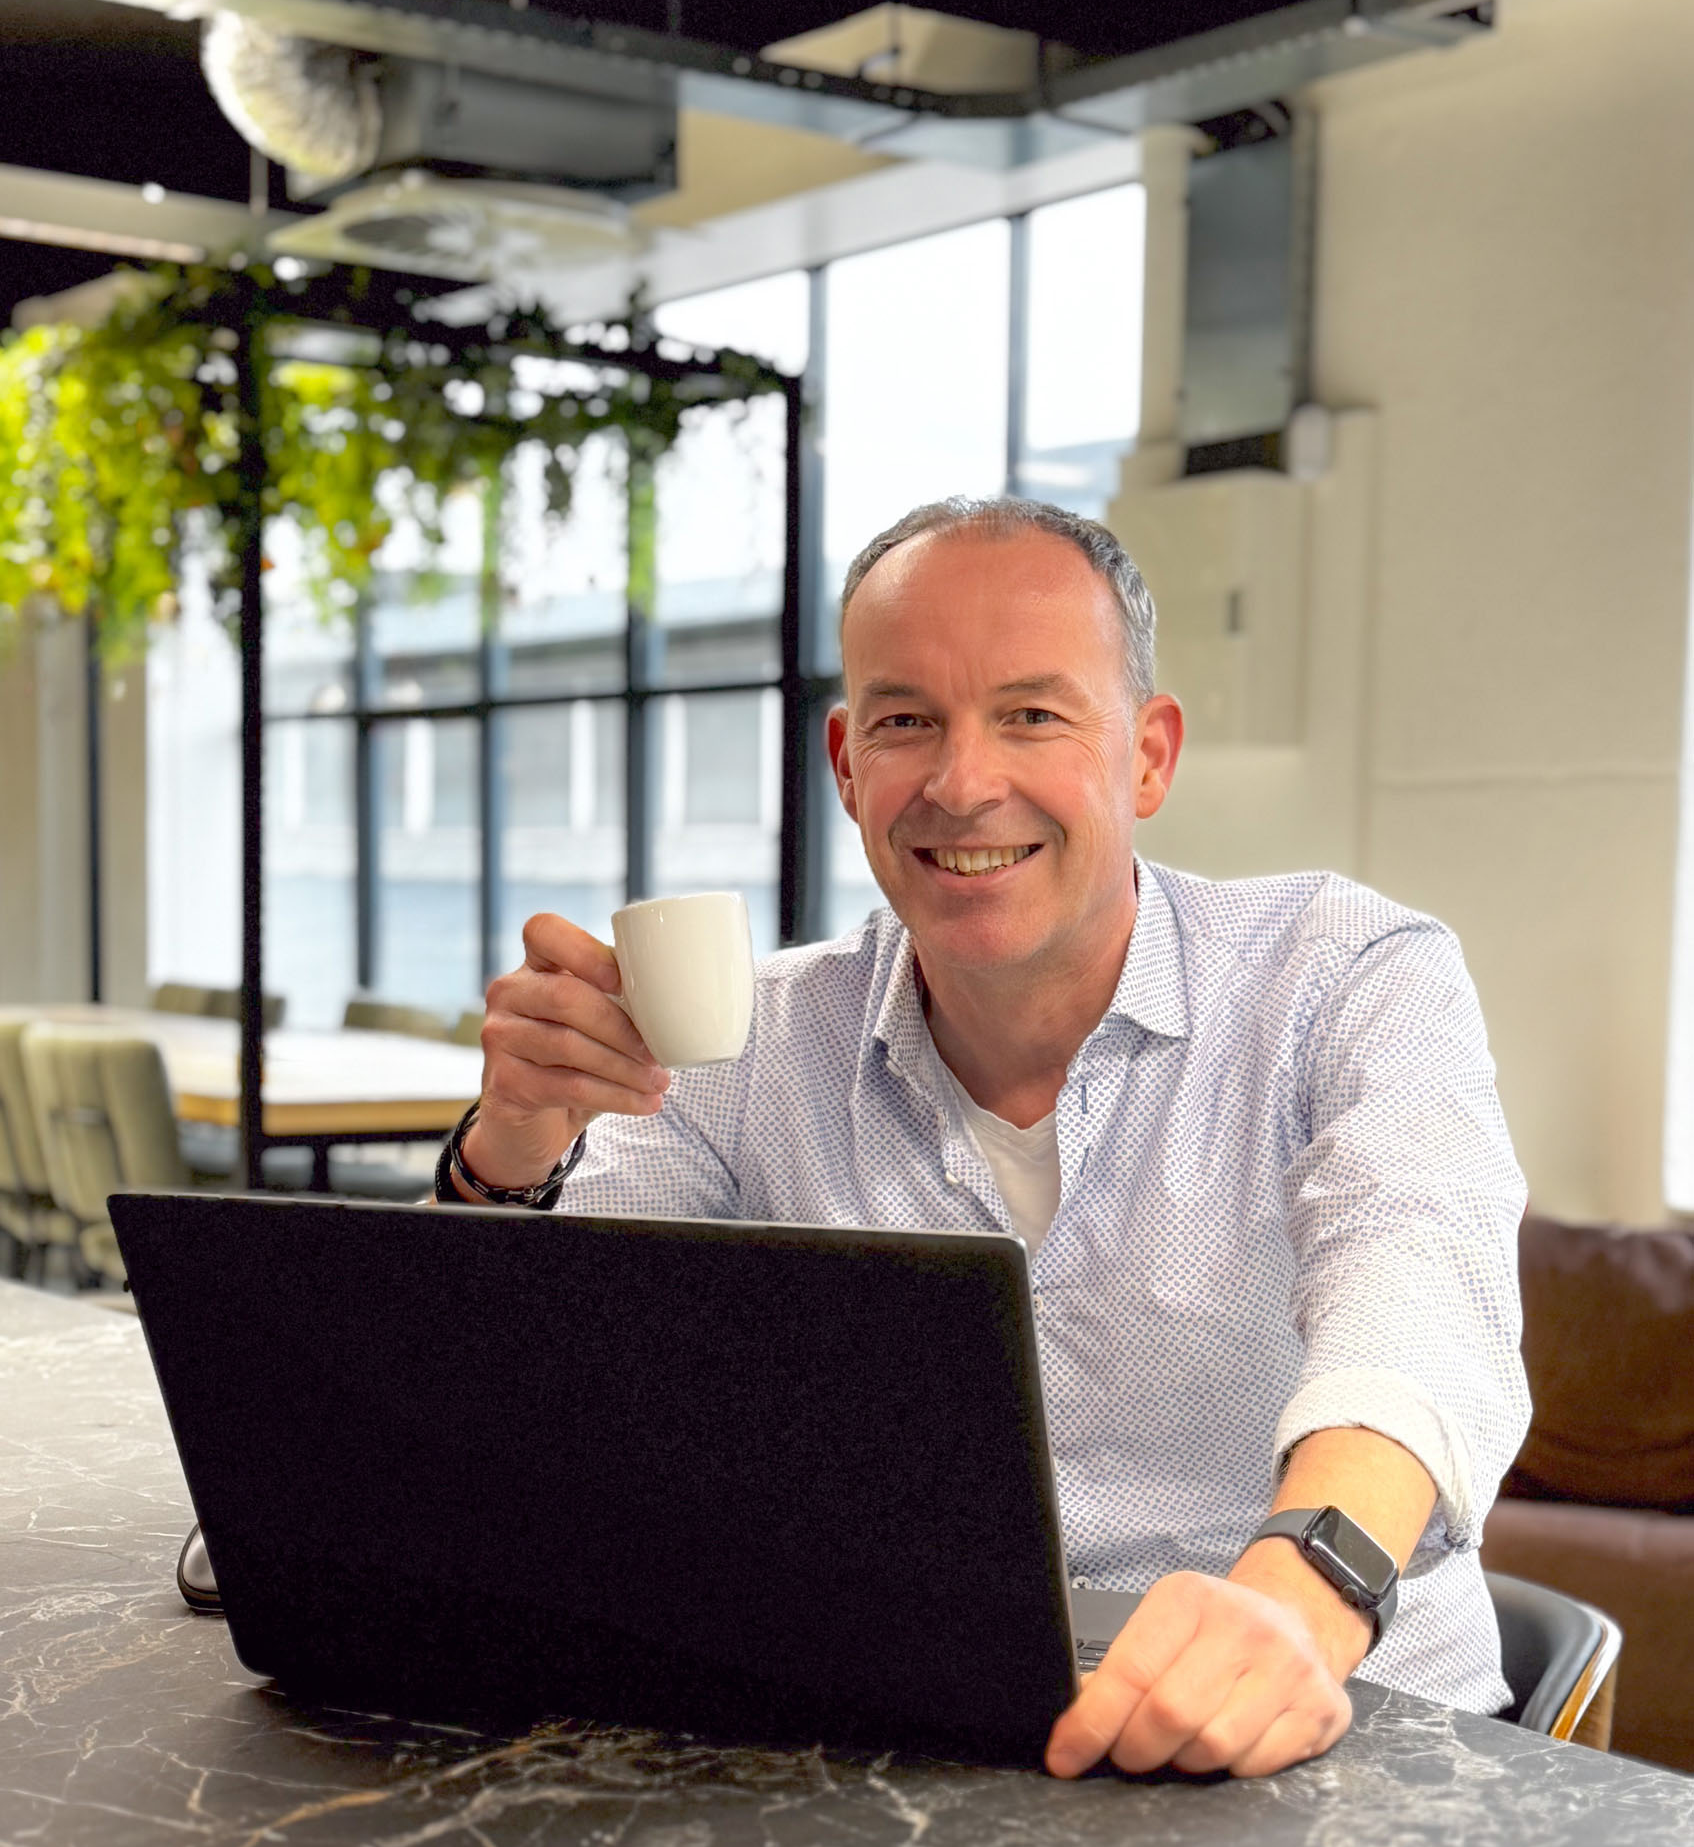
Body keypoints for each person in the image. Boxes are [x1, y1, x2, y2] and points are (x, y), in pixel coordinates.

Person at [441, 495, 1530, 1781]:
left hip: (1343, 1735)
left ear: (1147, 755)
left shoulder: (1344, 974)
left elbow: (1418, 1300)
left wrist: (1300, 1589)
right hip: (902, 1748)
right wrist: (510, 1151)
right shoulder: (750, 1044)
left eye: (1031, 713)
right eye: (907, 721)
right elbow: (551, 1389)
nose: (962, 785)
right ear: (847, 764)